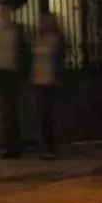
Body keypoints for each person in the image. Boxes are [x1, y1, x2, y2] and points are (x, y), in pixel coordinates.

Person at [0, 0, 28, 158]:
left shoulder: (16, 30)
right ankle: (10, 145)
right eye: (0, 10)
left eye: (5, 10)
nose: (2, 13)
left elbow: (22, 53)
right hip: (0, 74)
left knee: (12, 112)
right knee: (5, 113)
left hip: (12, 74)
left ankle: (15, 147)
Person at [30, 11, 68, 159]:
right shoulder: (38, 39)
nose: (44, 24)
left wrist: (58, 76)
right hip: (38, 81)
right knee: (41, 115)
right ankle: (45, 146)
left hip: (51, 81)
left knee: (49, 115)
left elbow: (60, 59)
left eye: (47, 21)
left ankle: (51, 147)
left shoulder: (58, 40)